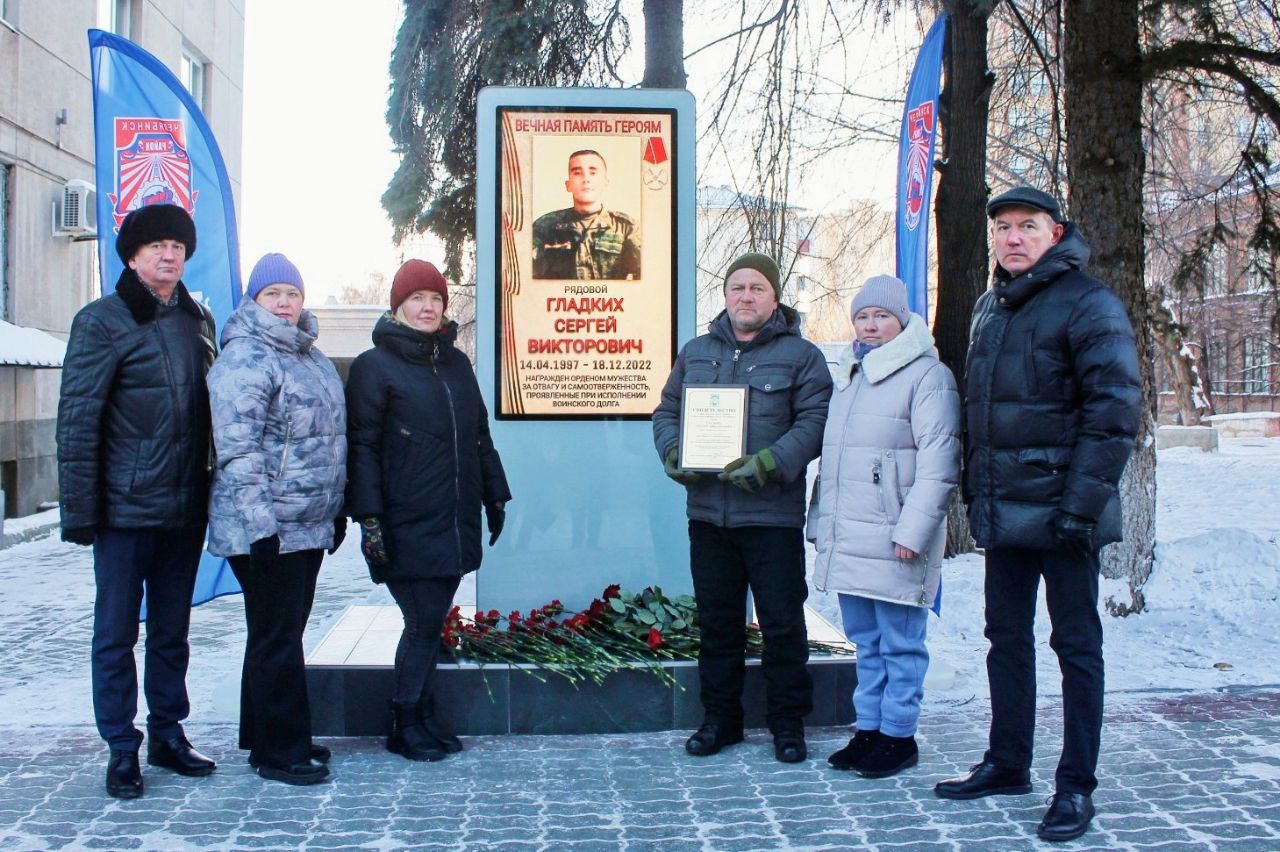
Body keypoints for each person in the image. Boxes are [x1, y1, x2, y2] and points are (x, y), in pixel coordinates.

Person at [933, 187, 1142, 843]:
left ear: (1055, 234)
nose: (1014, 237)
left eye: (1029, 226)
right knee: (1007, 640)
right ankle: (1007, 761)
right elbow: (984, 417)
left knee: (1076, 649)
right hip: (1007, 512)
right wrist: (977, 493)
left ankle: (1076, 786)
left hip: (1065, 516)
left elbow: (1113, 416)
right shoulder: (991, 310)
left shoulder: (1089, 304)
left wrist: (1080, 508)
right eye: (1003, 227)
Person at [56, 203, 218, 799]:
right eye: (156, 246)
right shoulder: (102, 321)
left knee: (173, 631)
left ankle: (168, 733)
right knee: (116, 632)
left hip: (183, 509)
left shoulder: (196, 321)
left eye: (177, 245)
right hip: (124, 511)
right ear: (132, 256)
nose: (168, 254)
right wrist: (80, 511)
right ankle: (121, 747)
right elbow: (77, 419)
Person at [652, 252, 832, 764]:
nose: (746, 296)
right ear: (725, 296)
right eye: (737, 287)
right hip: (709, 516)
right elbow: (667, 409)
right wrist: (672, 451)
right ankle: (721, 721)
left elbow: (815, 422)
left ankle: (787, 724)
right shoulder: (697, 351)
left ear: (775, 298)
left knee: (781, 624)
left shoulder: (802, 356)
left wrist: (772, 461)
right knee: (717, 621)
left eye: (757, 288)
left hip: (771, 517)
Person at [345, 259, 512, 762]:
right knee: (421, 622)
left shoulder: (455, 365)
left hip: (451, 518)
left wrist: (495, 493)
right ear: (398, 306)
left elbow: (478, 435)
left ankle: (421, 713)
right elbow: (363, 448)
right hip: (402, 522)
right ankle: (405, 721)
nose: (428, 307)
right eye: (417, 299)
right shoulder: (374, 367)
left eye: (436, 299)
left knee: (431, 619)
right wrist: (369, 519)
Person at [808, 275, 960, 779]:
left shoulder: (927, 376)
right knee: (866, 643)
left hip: (895, 539)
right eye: (862, 317)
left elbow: (939, 465)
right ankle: (868, 730)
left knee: (900, 643)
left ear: (902, 321)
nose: (871, 326)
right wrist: (821, 525)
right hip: (851, 538)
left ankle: (899, 736)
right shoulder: (852, 375)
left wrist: (912, 533)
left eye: (881, 316)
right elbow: (835, 464)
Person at [206, 253, 347, 786]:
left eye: (292, 293)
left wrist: (333, 513)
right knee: (277, 636)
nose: (286, 303)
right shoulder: (246, 357)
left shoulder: (309, 356)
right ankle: (279, 752)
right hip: (265, 527)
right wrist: (261, 525)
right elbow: (237, 450)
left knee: (276, 631)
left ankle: (268, 733)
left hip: (305, 523)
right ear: (254, 300)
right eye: (274, 295)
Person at [532, 149, 641, 280]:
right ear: (568, 185)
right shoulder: (544, 227)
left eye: (593, 173)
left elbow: (646, 278)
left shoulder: (627, 228)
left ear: (605, 182)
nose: (586, 179)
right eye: (577, 173)